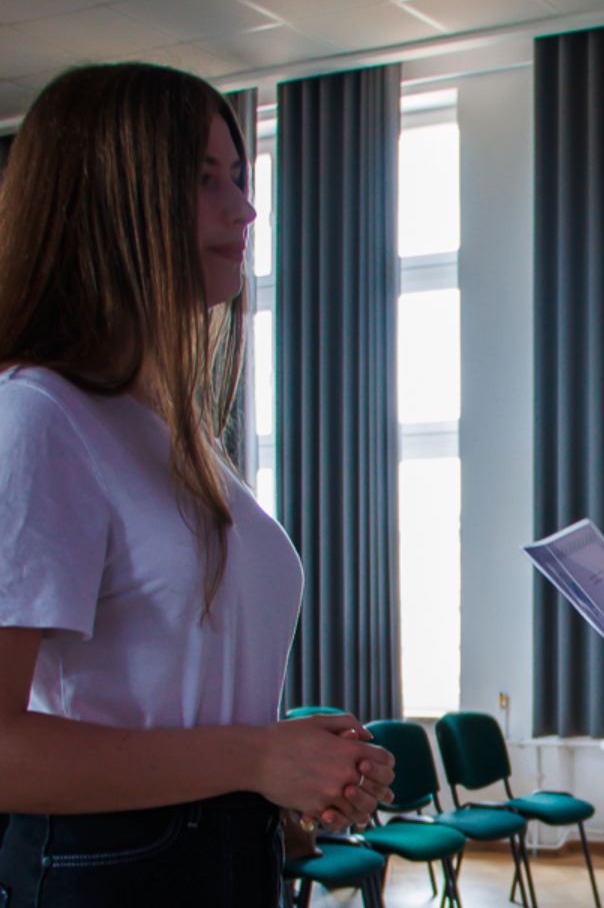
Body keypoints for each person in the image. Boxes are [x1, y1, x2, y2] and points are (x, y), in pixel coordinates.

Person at [0, 63, 395, 907]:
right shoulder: (39, 415)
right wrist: (257, 756)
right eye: (204, 179)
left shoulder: (176, 434)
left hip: (231, 855)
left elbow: (178, 702)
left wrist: (295, 763)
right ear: (112, 200)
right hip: (110, 874)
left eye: (240, 178)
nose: (244, 209)